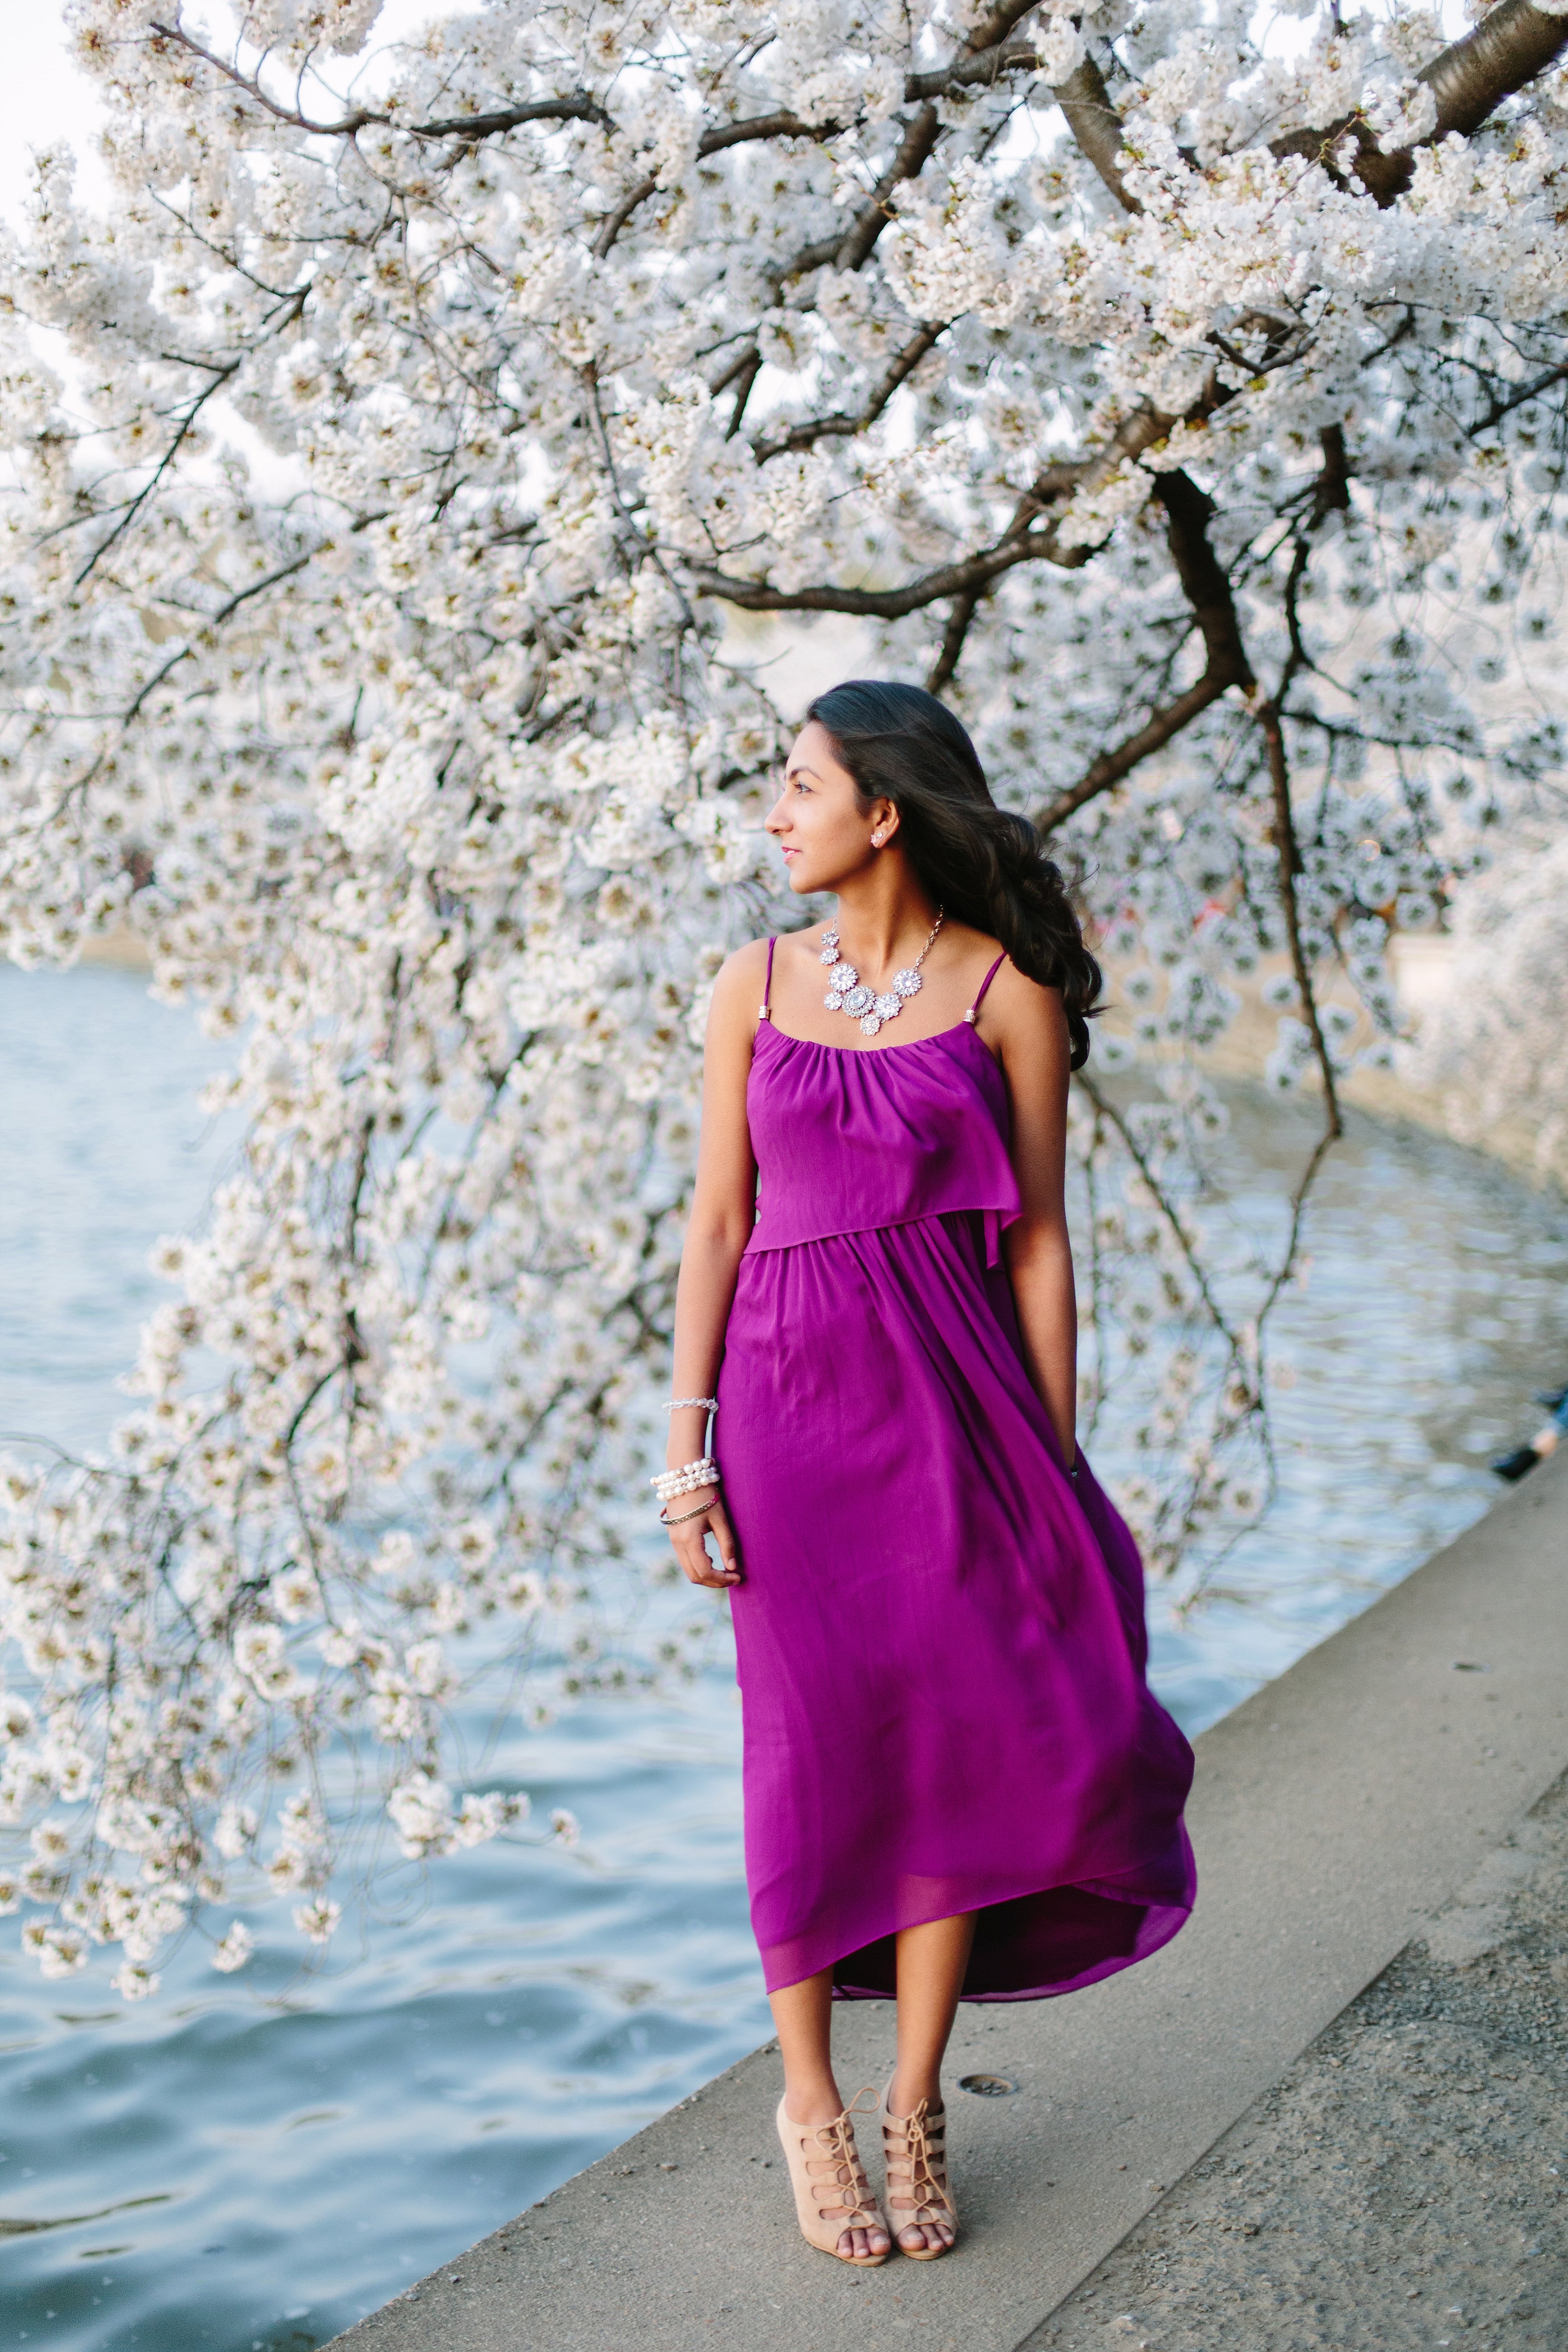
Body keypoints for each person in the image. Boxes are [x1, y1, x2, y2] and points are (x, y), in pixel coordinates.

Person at [656, 681, 1195, 2267]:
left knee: (958, 1738)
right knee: (811, 1749)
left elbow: (1036, 1239)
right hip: (782, 1410)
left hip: (956, 1411)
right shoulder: (745, 987)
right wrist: (683, 1455)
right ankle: (809, 2105)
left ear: (881, 811)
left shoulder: (1004, 988)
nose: (775, 810)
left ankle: (914, 2097)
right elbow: (713, 1226)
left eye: (799, 783)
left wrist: (1053, 1449)